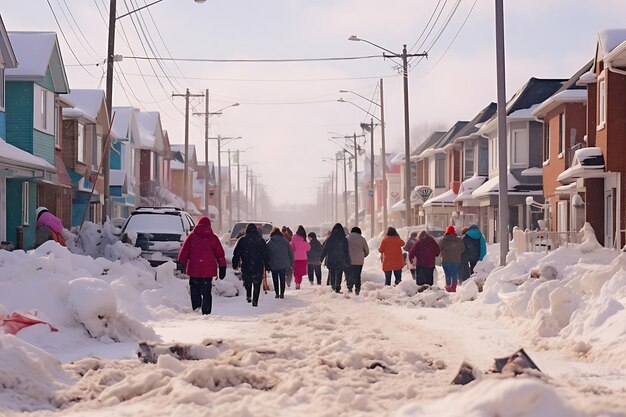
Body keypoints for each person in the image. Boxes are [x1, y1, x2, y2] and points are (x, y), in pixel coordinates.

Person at [177, 216, 226, 315]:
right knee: (207, 292)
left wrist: (181, 263)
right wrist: (222, 267)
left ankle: (196, 308)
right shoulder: (213, 238)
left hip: (194, 269)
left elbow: (184, 250)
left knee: (195, 289)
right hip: (208, 271)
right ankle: (206, 312)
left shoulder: (192, 236)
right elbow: (220, 254)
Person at [232, 223, 269, 307]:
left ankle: (248, 295)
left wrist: (235, 264)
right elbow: (266, 254)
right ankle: (255, 301)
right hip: (258, 265)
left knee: (247, 281)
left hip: (246, 265)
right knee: (257, 284)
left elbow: (237, 253)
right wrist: (267, 265)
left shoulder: (242, 240)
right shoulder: (261, 240)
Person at [320, 223, 351, 293]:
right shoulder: (344, 239)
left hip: (331, 259)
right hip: (341, 259)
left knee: (332, 273)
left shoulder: (330, 239)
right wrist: (348, 260)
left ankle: (333, 286)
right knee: (339, 274)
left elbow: (325, 249)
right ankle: (337, 287)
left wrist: (321, 258)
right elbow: (346, 251)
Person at [266, 227, 294, 299]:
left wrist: (267, 264)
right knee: (282, 279)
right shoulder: (285, 241)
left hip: (273, 263)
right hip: (283, 263)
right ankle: (282, 293)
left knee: (275, 279)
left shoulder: (269, 242)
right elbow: (290, 252)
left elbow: (267, 254)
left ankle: (277, 293)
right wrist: (292, 262)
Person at [438, 225, 465, 292]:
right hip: (456, 260)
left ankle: (448, 286)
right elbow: (463, 249)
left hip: (445, 260)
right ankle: (453, 287)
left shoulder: (443, 240)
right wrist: (457, 252)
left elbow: (439, 249)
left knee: (447, 274)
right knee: (454, 274)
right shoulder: (459, 240)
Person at [346, 226, 370, 295]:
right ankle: (357, 290)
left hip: (349, 260)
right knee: (357, 275)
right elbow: (367, 251)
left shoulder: (347, 238)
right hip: (359, 261)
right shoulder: (362, 239)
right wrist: (363, 256)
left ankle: (349, 288)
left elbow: (343, 249)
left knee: (349, 275)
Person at [290, 225, 311, 289]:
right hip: (303, 258)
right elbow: (308, 248)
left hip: (295, 258)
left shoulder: (294, 238)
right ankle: (298, 282)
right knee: (300, 272)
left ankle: (297, 283)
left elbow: (291, 247)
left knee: (296, 272)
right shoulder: (303, 239)